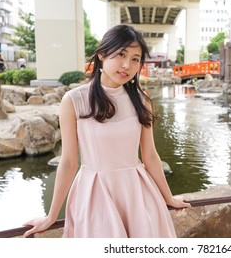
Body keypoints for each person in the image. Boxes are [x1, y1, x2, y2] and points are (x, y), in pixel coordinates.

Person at [23, 24, 190, 238]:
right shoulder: (75, 100)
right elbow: (68, 162)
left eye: (135, 59)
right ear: (102, 54)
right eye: (121, 54)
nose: (127, 65)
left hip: (137, 193)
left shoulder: (141, 101)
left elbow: (149, 156)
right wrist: (51, 215)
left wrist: (169, 198)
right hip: (95, 192)